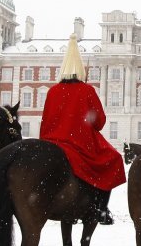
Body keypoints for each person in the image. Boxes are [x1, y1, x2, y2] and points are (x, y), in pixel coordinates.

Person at [40, 34, 126, 224]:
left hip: (52, 142)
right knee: (113, 159)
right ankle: (101, 208)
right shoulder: (87, 90)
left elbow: (45, 121)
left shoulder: (53, 91)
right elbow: (100, 122)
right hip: (79, 143)